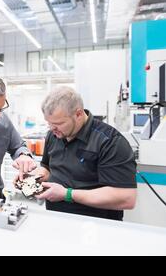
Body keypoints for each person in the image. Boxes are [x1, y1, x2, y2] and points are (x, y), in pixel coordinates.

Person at [18, 86, 137, 220]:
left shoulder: (109, 142)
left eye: (58, 123)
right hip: (55, 218)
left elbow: (126, 198)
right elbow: (47, 168)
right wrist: (32, 177)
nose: (52, 129)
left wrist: (67, 194)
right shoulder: (53, 135)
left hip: (96, 226)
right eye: (49, 123)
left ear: (78, 114)